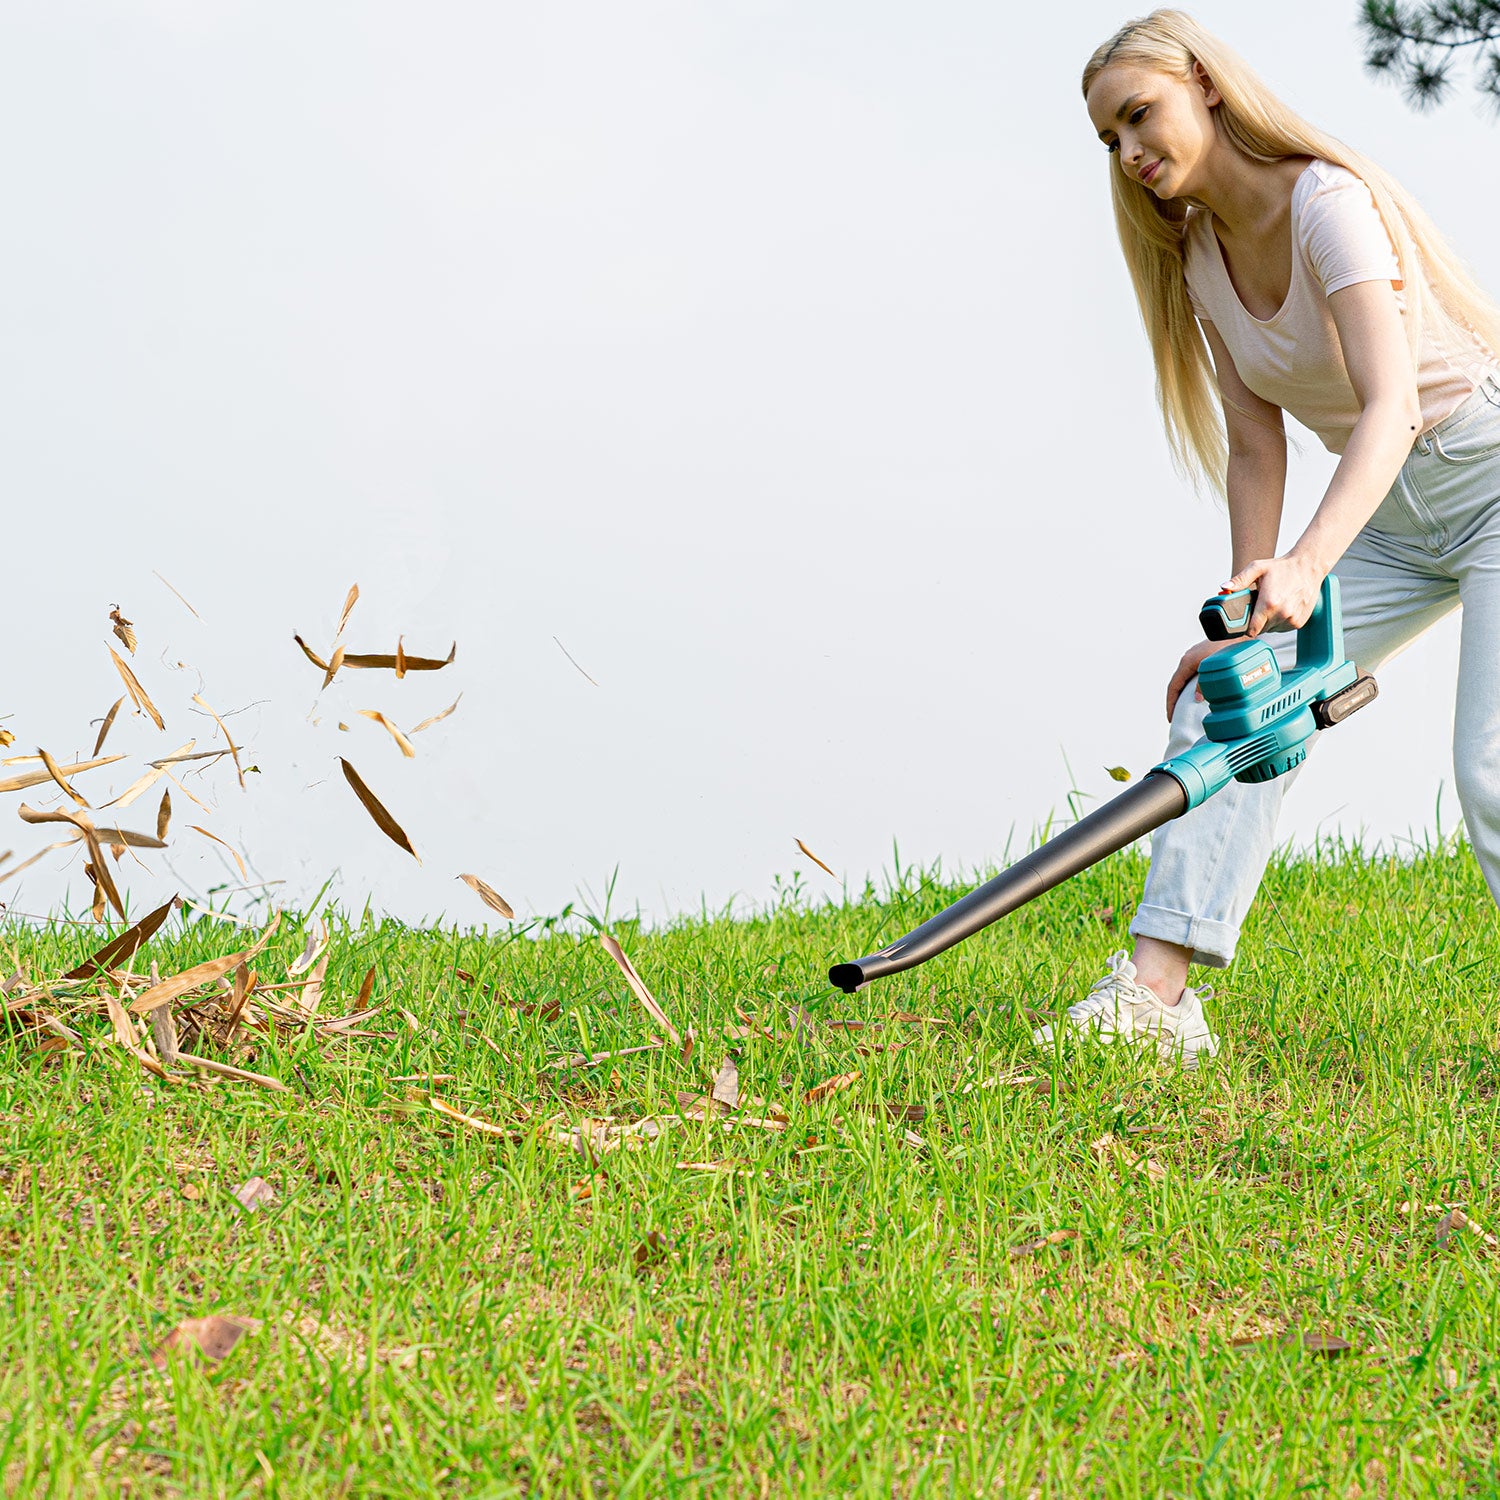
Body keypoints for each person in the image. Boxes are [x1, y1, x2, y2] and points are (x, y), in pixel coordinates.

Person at [1036, 8, 1500, 1065]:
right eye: (1110, 138)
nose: (1130, 152)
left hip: (1485, 471)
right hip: (1383, 515)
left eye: (1140, 115)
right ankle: (1155, 1004)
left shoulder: (1326, 205)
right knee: (1229, 701)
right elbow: (1256, 449)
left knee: (1492, 771)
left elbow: (1390, 408)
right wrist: (1252, 607)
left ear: (1203, 81)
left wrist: (1306, 564)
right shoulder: (1198, 258)